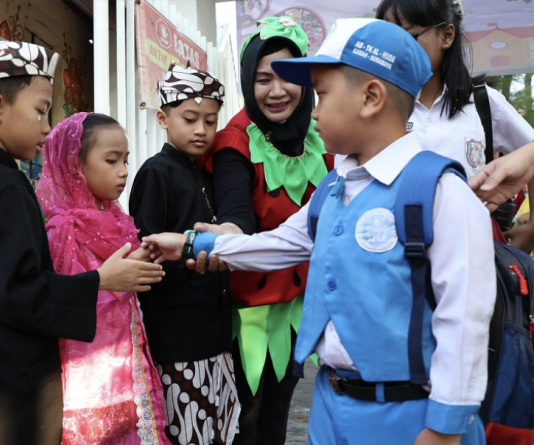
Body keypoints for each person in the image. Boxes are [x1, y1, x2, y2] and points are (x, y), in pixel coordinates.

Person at [144, 18, 494, 445]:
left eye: (323, 94)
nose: (311, 109)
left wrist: (444, 427)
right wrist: (191, 243)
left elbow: (465, 320)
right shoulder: (335, 187)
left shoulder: (441, 193)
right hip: (332, 408)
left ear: (370, 98)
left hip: (409, 418)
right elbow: (281, 244)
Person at [0, 41, 164, 445]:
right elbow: (17, 292)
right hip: (0, 402)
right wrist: (99, 280)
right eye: (41, 110)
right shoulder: (5, 184)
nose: (47, 127)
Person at [194, 17, 333, 445]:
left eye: (288, 76)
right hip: (248, 314)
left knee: (277, 414)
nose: (276, 91)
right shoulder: (237, 141)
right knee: (245, 422)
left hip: (298, 307)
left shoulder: (320, 134)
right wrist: (228, 233)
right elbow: (238, 214)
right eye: (262, 79)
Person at [35, 111, 170, 445]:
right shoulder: (64, 228)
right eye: (111, 161)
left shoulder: (117, 219)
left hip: (128, 361)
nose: (123, 171)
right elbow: (69, 302)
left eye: (125, 160)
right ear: (73, 166)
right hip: (89, 376)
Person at [129, 63, 240, 445]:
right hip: (176, 339)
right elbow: (147, 253)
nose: (201, 130)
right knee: (185, 430)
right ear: (163, 117)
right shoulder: (156, 173)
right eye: (190, 118)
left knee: (215, 432)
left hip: (215, 333)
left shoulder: (206, 173)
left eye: (211, 121)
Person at [374, 0, 534, 248]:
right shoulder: (374, 107)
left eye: (408, 35)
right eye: (387, 36)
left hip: (472, 252)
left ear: (447, 36)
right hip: (393, 258)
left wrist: (533, 226)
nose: (395, 49)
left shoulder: (483, 102)